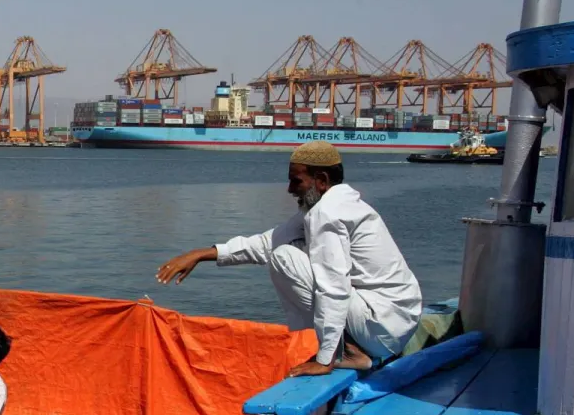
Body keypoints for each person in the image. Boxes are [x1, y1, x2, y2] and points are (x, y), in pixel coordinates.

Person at [157, 140, 422, 376]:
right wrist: (202, 254)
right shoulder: (330, 206)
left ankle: (346, 352)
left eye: (296, 181)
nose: (289, 190)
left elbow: (334, 287)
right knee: (281, 250)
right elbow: (266, 243)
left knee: (284, 258)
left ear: (320, 180)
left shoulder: (327, 214)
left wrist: (326, 358)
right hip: (396, 322)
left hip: (382, 325)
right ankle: (344, 348)